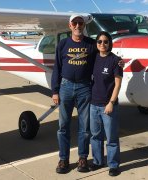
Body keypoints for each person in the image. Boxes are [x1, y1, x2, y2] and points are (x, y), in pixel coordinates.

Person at [51, 14, 96, 174]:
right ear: (70, 26)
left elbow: (102, 59)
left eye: (80, 23)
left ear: (84, 26)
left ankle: (82, 158)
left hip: (85, 87)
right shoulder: (63, 44)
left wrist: (117, 61)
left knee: (85, 127)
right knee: (63, 126)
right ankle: (63, 159)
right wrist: (55, 90)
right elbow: (57, 68)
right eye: (75, 23)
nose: (78, 25)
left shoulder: (91, 44)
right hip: (66, 86)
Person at [89, 31, 123, 177]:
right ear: (96, 44)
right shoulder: (93, 58)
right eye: (99, 42)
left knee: (111, 138)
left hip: (108, 105)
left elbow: (117, 84)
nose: (102, 44)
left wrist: (111, 102)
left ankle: (113, 165)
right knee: (95, 136)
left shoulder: (115, 60)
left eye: (105, 41)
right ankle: (97, 161)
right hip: (93, 104)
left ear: (110, 43)